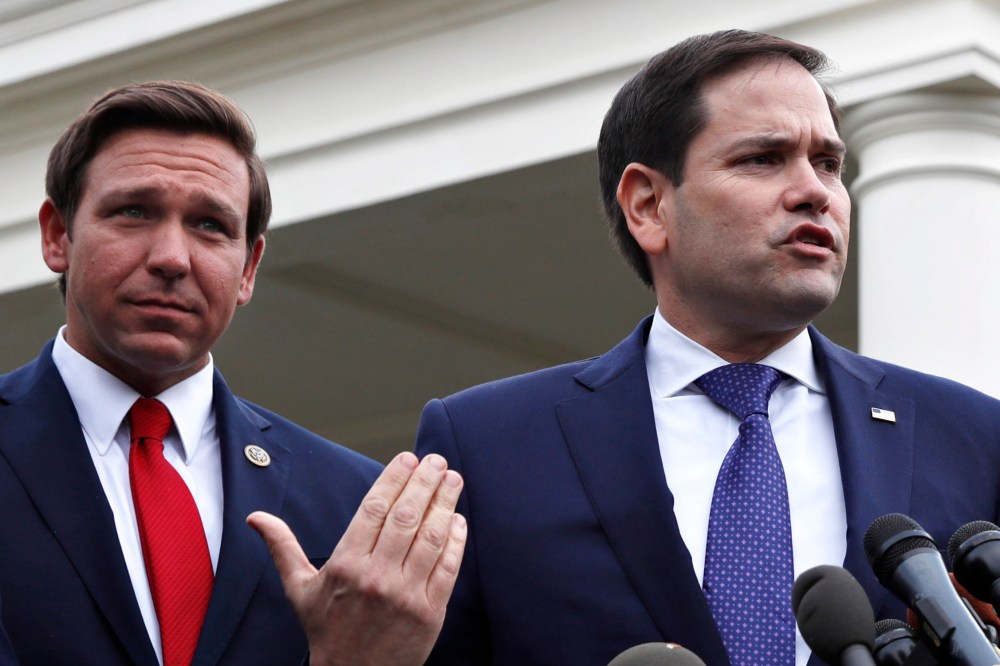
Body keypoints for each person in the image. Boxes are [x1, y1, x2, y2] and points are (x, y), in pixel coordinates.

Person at [414, 29, 1000, 665]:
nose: (816, 192)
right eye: (763, 158)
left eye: (828, 163)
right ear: (648, 206)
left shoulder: (972, 436)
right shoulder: (487, 444)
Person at [0, 80, 466, 665]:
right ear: (57, 235)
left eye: (210, 225)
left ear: (248, 268)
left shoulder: (355, 509)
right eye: (134, 212)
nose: (171, 257)